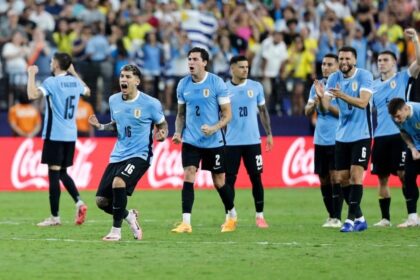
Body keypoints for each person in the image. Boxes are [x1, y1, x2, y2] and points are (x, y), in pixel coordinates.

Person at [88, 64, 168, 241]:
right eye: (122, 76)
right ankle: (129, 216)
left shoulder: (150, 103)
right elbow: (117, 125)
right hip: (118, 155)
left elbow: (162, 125)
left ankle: (116, 232)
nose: (123, 79)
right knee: (101, 201)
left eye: (128, 77)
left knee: (119, 182)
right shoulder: (113, 100)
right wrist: (101, 126)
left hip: (140, 155)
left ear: (137, 81)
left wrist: (162, 135)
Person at [171, 47, 237, 233]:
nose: (191, 62)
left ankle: (232, 215)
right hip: (191, 140)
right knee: (189, 173)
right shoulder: (183, 85)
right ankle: (186, 223)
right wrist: (177, 133)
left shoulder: (217, 83)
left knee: (218, 181)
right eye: (189, 59)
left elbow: (227, 115)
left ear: (204, 62)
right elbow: (181, 115)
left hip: (214, 141)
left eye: (195, 59)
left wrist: (214, 128)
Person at [27, 52, 90, 227]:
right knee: (62, 172)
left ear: (56, 65)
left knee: (54, 174)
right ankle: (79, 202)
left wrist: (31, 74)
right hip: (71, 135)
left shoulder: (51, 83)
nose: (50, 63)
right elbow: (88, 91)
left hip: (55, 134)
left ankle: (55, 217)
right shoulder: (75, 82)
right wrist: (75, 72)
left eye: (52, 61)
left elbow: (32, 95)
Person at [316, 46, 374, 233]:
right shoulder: (333, 78)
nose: (344, 62)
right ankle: (361, 218)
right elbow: (325, 107)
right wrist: (320, 98)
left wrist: (342, 96)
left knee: (356, 175)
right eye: (341, 59)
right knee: (343, 179)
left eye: (347, 59)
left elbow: (363, 102)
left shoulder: (364, 76)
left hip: (362, 134)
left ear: (355, 60)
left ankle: (349, 220)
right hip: (341, 136)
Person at [371, 28, 420, 227]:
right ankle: (385, 218)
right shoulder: (371, 86)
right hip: (380, 136)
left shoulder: (402, 77)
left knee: (404, 175)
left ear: (394, 62)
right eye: (379, 60)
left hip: (400, 135)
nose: (381, 63)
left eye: (385, 60)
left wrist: (416, 40)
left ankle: (412, 215)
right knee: (382, 178)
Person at [224, 55, 273, 228]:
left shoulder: (256, 87)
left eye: (247, 67)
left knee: (256, 178)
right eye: (242, 67)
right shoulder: (224, 88)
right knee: (229, 180)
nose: (246, 69)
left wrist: (269, 134)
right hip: (230, 143)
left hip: (252, 141)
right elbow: (221, 115)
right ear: (232, 69)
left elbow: (263, 111)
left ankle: (260, 216)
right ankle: (230, 216)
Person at [305, 53, 343, 228]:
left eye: (329, 64)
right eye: (323, 64)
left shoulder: (341, 85)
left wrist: (325, 102)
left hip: (337, 138)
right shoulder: (317, 86)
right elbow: (307, 111)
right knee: (324, 178)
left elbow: (341, 113)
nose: (325, 67)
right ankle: (330, 215)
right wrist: (316, 102)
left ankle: (337, 217)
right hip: (320, 139)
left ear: (337, 66)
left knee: (337, 177)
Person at [388, 98, 420, 227]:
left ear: (406, 109)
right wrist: (412, 148)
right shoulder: (395, 117)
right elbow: (404, 133)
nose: (397, 120)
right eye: (394, 117)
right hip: (414, 147)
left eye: (398, 116)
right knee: (408, 179)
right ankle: (412, 218)